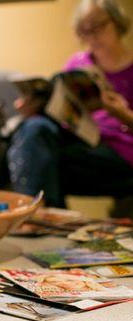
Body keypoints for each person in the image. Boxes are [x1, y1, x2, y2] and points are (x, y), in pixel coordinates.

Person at [7, 0, 133, 207]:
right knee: (34, 127)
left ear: (117, 21)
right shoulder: (78, 64)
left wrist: (121, 113)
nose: (92, 36)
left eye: (98, 26)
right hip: (80, 137)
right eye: (84, 31)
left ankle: (43, 215)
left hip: (119, 148)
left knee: (41, 159)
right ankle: (32, 210)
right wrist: (36, 107)